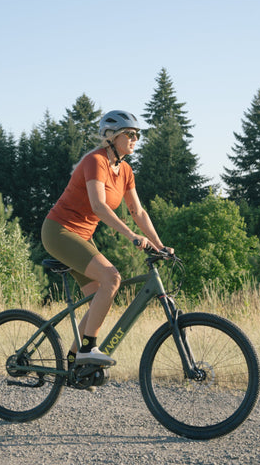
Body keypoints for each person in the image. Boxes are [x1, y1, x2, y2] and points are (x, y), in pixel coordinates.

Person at [41, 110, 173, 367]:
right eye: (130, 134)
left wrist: (158, 245)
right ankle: (88, 348)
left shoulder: (125, 170)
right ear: (111, 137)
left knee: (100, 295)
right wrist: (132, 236)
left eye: (138, 135)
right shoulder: (95, 161)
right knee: (112, 278)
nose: (136, 139)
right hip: (59, 231)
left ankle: (73, 361)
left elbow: (138, 211)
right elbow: (99, 206)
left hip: (82, 236)